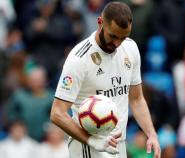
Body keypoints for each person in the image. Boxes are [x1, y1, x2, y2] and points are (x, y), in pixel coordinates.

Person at [50, 2, 160, 158]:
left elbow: (136, 99)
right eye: (113, 36)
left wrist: (151, 134)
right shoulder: (79, 59)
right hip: (88, 145)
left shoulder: (130, 48)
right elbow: (57, 113)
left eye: (123, 37)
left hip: (118, 144)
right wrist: (92, 141)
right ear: (100, 22)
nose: (117, 43)